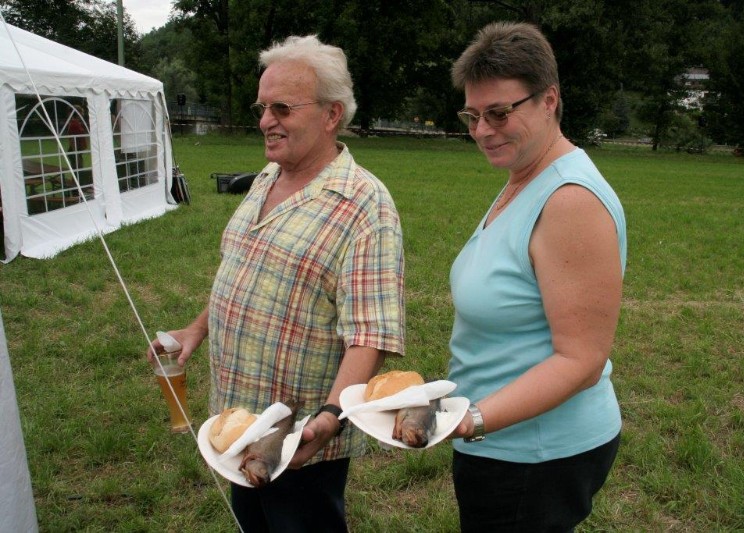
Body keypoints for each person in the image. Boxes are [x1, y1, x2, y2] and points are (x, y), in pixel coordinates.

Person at [148, 35, 404, 532]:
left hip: (300, 439)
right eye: (262, 107)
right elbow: (244, 269)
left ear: (331, 114)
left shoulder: (364, 204)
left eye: (282, 108)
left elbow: (371, 334)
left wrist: (329, 416)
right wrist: (196, 329)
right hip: (238, 421)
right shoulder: (268, 176)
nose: (266, 120)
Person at [446, 22, 627, 532]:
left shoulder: (570, 200)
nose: (483, 130)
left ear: (549, 100)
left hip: (535, 456)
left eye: (499, 113)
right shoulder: (524, 177)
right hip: (502, 443)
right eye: (473, 115)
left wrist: (473, 419)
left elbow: (581, 360)